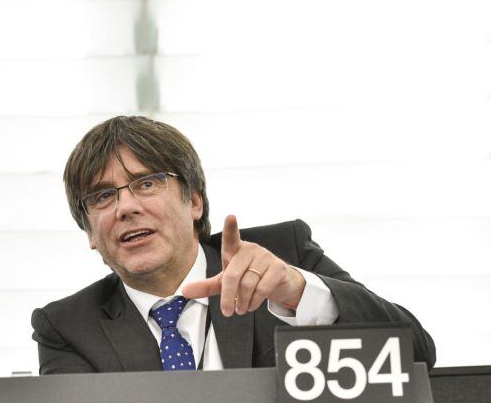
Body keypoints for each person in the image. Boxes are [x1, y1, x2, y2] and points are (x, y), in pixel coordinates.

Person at [32, 116, 435, 374]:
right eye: (102, 197)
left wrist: (298, 292)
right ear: (88, 231)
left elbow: (415, 354)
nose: (125, 207)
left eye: (146, 183)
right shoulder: (68, 327)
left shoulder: (284, 257)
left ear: (193, 201)